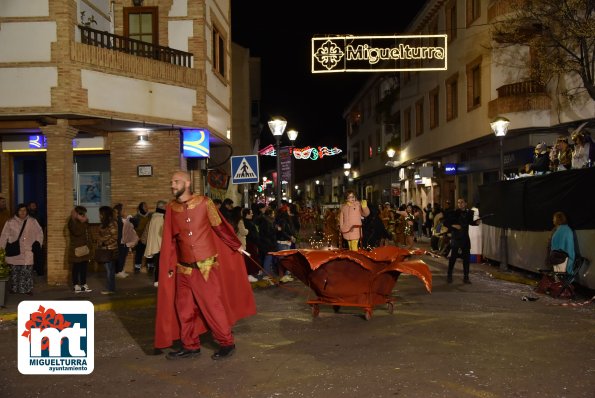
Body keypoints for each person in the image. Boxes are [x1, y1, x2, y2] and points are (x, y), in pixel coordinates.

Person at [154, 171, 257, 360]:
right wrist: (168, 266)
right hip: (183, 267)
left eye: (176, 182)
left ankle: (227, 343)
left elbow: (220, 227)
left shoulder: (204, 202)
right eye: (171, 182)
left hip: (206, 265)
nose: (172, 185)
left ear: (187, 183)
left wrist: (237, 245)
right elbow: (169, 238)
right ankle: (190, 345)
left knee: (212, 306)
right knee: (184, 309)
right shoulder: (171, 208)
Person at [0, 203, 43, 295]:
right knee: (15, 271)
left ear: (27, 211)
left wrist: (38, 243)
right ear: (17, 211)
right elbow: (4, 236)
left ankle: (27, 289)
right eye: (20, 210)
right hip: (14, 250)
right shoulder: (10, 222)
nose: (22, 212)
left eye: (24, 210)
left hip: (28, 250)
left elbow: (39, 233)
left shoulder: (32, 221)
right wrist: (1, 249)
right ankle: (14, 288)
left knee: (27, 271)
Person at [443, 198, 478, 284]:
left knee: (466, 259)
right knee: (453, 258)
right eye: (458, 202)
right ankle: (449, 276)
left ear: (465, 203)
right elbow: (446, 223)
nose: (460, 204)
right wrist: (454, 226)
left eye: (462, 202)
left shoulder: (469, 212)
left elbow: (470, 222)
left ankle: (466, 277)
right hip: (456, 237)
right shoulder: (454, 212)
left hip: (465, 238)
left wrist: (476, 223)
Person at [68, 205, 92, 293]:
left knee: (84, 268)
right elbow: (77, 232)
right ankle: (76, 285)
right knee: (76, 267)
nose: (84, 216)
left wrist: (85, 222)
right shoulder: (72, 222)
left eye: (84, 214)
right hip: (76, 249)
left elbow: (88, 233)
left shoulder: (84, 222)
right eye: (81, 214)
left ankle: (84, 284)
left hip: (85, 248)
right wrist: (82, 222)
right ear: (77, 214)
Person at [144, 200, 166, 287]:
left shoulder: (153, 217)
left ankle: (157, 280)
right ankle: (159, 280)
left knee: (158, 263)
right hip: (161, 244)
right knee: (161, 264)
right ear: (163, 207)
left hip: (155, 244)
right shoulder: (162, 217)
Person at [97, 205, 118, 295]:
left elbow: (115, 236)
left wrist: (105, 243)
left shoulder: (112, 224)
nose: (99, 215)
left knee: (110, 271)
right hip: (105, 249)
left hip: (109, 250)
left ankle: (110, 289)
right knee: (109, 270)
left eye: (100, 213)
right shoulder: (104, 223)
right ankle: (111, 288)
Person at [548, 211, 575, 276]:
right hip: (563, 259)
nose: (552, 220)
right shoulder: (567, 230)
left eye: (554, 218)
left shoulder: (557, 231)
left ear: (558, 219)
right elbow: (570, 248)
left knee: (558, 279)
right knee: (561, 279)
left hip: (557, 259)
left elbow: (553, 246)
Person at [131, 201, 151, 274]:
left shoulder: (151, 216)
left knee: (150, 254)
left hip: (149, 238)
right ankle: (137, 268)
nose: (147, 208)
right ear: (141, 208)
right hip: (139, 239)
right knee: (139, 253)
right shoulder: (136, 217)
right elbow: (132, 229)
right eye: (145, 206)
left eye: (147, 206)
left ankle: (150, 267)